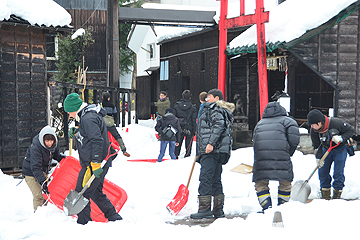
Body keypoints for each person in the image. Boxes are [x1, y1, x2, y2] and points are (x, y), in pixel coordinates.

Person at [64, 93, 122, 224]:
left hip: (95, 164)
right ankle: (113, 217)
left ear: (74, 108)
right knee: (95, 192)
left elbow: (97, 140)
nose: (70, 115)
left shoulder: (88, 118)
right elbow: (89, 136)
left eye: (69, 112)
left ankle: (83, 223)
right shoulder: (87, 116)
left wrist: (95, 163)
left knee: (81, 193)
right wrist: (77, 132)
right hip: (96, 162)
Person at [190, 89, 234, 219]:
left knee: (206, 178)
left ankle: (204, 209)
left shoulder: (214, 108)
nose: (206, 99)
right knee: (215, 180)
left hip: (211, 150)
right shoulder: (221, 109)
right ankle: (218, 210)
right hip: (219, 151)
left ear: (216, 98)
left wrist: (210, 143)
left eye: (208, 97)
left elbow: (219, 125)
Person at [252, 102, 300, 212]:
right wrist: (288, 152)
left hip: (261, 158)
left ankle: (266, 207)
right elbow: (294, 140)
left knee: (260, 183)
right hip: (282, 156)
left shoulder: (260, 123)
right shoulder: (288, 121)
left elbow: (255, 141)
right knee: (285, 182)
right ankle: (282, 208)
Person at [307, 109, 355, 199]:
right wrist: (318, 158)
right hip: (326, 149)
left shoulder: (336, 123)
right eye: (311, 125)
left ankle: (337, 195)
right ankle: (325, 196)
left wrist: (341, 138)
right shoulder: (313, 131)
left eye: (313, 124)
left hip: (340, 149)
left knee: (338, 173)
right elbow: (317, 146)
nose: (312, 127)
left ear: (320, 122)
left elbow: (351, 130)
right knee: (322, 172)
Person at [22, 125, 65, 211]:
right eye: (47, 141)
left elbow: (56, 155)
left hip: (42, 170)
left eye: (51, 140)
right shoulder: (36, 147)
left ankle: (44, 214)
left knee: (47, 195)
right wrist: (43, 182)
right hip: (30, 172)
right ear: (43, 140)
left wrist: (65, 160)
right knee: (39, 196)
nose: (50, 143)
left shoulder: (54, 145)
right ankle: (38, 216)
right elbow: (35, 167)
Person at [102, 92, 130, 157]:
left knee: (102, 137)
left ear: (102, 97)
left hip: (102, 123)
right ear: (109, 98)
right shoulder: (112, 106)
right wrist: (115, 121)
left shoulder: (101, 105)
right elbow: (115, 114)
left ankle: (105, 151)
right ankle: (124, 150)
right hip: (110, 123)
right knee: (117, 136)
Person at [174, 90, 197, 158]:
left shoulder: (177, 105)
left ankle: (176, 155)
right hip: (189, 126)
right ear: (190, 97)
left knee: (178, 141)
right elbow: (193, 119)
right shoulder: (192, 107)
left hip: (179, 126)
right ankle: (187, 155)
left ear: (182, 96)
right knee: (188, 142)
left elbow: (174, 117)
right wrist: (194, 130)